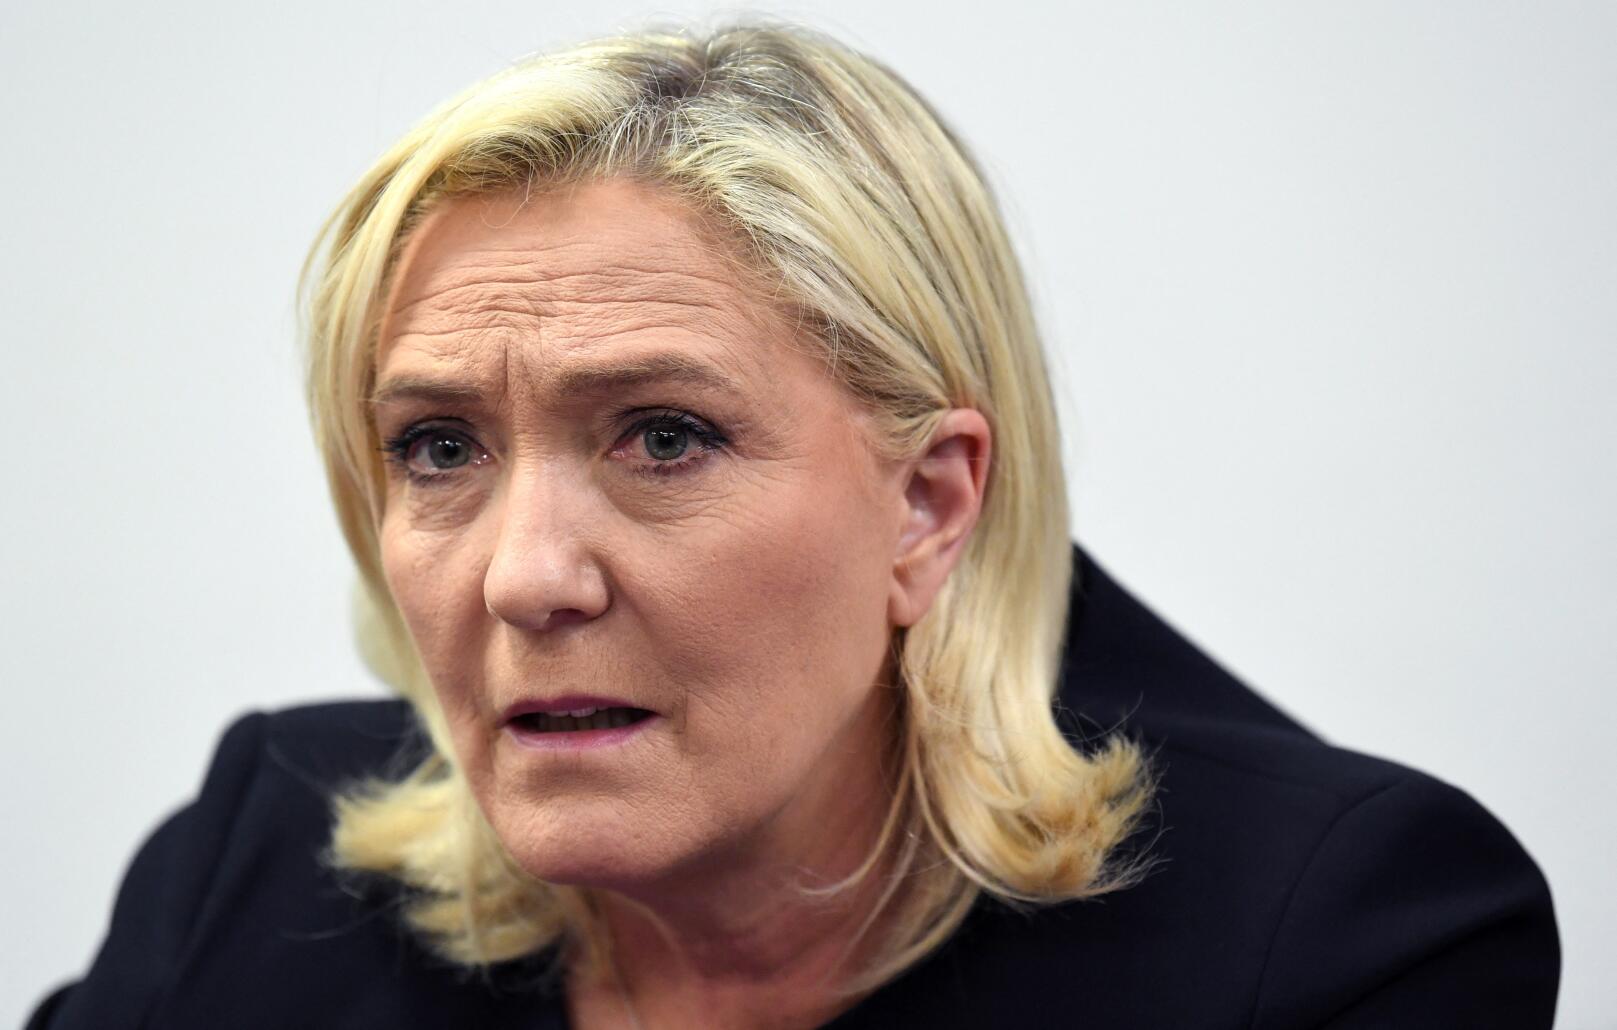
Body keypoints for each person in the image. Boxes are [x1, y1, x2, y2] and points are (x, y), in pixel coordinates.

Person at [29, 21, 1558, 1030]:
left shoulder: (1334, 942)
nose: (525, 575)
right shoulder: (256, 864)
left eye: (664, 435)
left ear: (926, 503)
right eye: (439, 447)